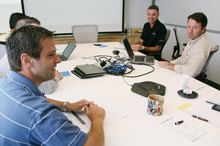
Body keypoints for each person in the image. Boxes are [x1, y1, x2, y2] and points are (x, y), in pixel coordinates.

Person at [0, 25, 106, 146]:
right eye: (50, 55)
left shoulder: (4, 84)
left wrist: (66, 105)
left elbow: (35, 99)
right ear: (27, 60)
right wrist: (97, 119)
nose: (58, 60)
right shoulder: (42, 115)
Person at [0, 16, 63, 94]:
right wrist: (56, 77)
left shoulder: (12, 54)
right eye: (34, 32)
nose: (59, 60)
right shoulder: (28, 65)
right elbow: (47, 89)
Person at [158, 12, 213, 77]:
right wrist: (168, 64)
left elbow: (191, 71)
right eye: (189, 27)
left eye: (195, 28)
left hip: (188, 79)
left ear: (203, 29)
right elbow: (182, 59)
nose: (190, 31)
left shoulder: (202, 46)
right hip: (183, 73)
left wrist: (170, 66)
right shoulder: (194, 39)